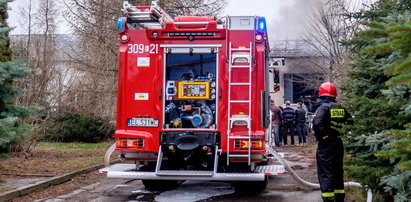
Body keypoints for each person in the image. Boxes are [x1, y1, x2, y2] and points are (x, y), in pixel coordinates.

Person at [313, 82, 352, 202]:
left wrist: (322, 137)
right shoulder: (341, 107)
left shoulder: (323, 108)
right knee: (337, 170)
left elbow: (317, 124)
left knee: (326, 172)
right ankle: (339, 198)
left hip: (326, 144)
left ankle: (328, 198)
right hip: (338, 143)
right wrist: (341, 133)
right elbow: (350, 121)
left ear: (322, 94)